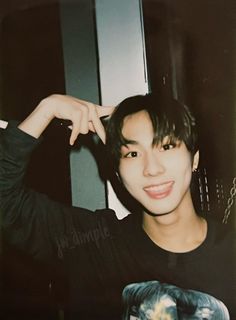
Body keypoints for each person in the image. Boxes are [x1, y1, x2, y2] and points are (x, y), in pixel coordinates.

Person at [0, 93, 234, 319]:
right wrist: (47, 109)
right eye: (132, 153)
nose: (152, 168)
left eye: (166, 146)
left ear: (194, 158)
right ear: (118, 173)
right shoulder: (93, 244)